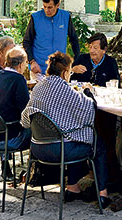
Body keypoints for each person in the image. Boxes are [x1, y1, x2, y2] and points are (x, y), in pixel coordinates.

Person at [21, 51, 110, 208]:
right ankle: (103, 193)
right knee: (97, 143)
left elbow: (25, 120)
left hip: (38, 149)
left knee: (75, 134)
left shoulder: (38, 87)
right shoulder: (65, 90)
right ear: (64, 72)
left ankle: (72, 188)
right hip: (60, 149)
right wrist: (88, 92)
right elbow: (90, 108)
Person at [0, 46, 31, 177]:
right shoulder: (18, 80)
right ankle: (35, 170)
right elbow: (26, 111)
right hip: (10, 139)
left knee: (6, 119)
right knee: (39, 129)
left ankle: (5, 163)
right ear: (21, 64)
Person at [23, 0, 80, 76]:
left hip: (60, 69)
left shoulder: (65, 16)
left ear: (57, 5)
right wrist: (32, 61)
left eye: (50, 7)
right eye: (44, 7)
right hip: (38, 68)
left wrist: (77, 60)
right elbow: (27, 41)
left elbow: (74, 39)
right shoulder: (35, 18)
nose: (46, 10)